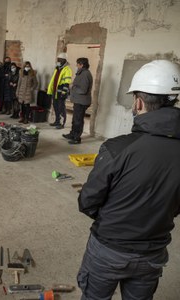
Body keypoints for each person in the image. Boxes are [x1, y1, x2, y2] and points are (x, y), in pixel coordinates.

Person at [77, 60, 180, 300]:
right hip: (153, 252)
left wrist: (114, 218)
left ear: (139, 102)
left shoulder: (117, 149)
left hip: (108, 249)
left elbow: (88, 201)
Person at [63, 57, 93, 144]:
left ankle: (76, 138)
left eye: (77, 64)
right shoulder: (82, 73)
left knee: (78, 120)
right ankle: (72, 134)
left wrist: (73, 87)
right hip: (78, 101)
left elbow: (83, 90)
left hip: (82, 101)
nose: (76, 65)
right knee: (75, 119)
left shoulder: (85, 74)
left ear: (82, 65)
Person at [47, 53, 72, 129]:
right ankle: (57, 121)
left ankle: (62, 123)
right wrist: (50, 90)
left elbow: (67, 82)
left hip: (61, 92)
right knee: (55, 106)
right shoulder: (57, 68)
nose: (58, 61)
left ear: (64, 60)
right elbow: (54, 80)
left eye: (59, 59)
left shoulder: (67, 69)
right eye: (58, 59)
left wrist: (64, 93)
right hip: (55, 91)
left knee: (61, 108)